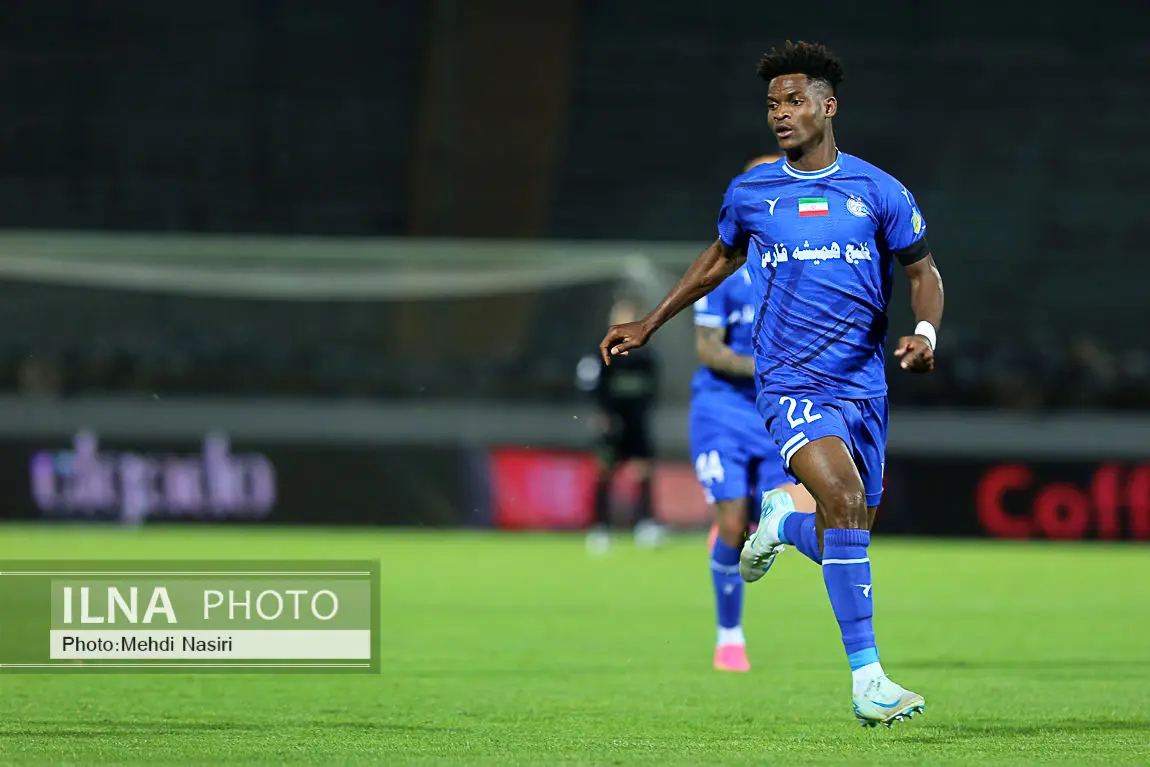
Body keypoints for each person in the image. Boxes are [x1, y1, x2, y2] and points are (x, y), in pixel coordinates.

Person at [599, 41, 944, 728]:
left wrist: (926, 334)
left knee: (848, 526)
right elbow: (718, 258)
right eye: (771, 104)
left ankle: (783, 522)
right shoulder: (752, 194)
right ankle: (868, 680)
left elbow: (922, 272)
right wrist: (651, 322)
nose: (780, 114)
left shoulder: (878, 190)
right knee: (843, 499)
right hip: (791, 382)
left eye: (792, 101)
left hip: (864, 386)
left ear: (828, 105)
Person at [694, 153, 816, 674]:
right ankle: (729, 635)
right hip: (722, 408)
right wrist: (768, 366)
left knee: (788, 512)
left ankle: (760, 533)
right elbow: (708, 348)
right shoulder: (724, 268)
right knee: (731, 522)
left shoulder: (806, 267)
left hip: (777, 409)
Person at [576, 294, 664, 554]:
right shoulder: (600, 352)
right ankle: (600, 528)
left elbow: (652, 390)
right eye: (620, 316)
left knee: (643, 471)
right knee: (604, 472)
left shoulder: (645, 356)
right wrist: (599, 414)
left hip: (636, 422)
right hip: (611, 422)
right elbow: (589, 386)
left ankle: (646, 524)